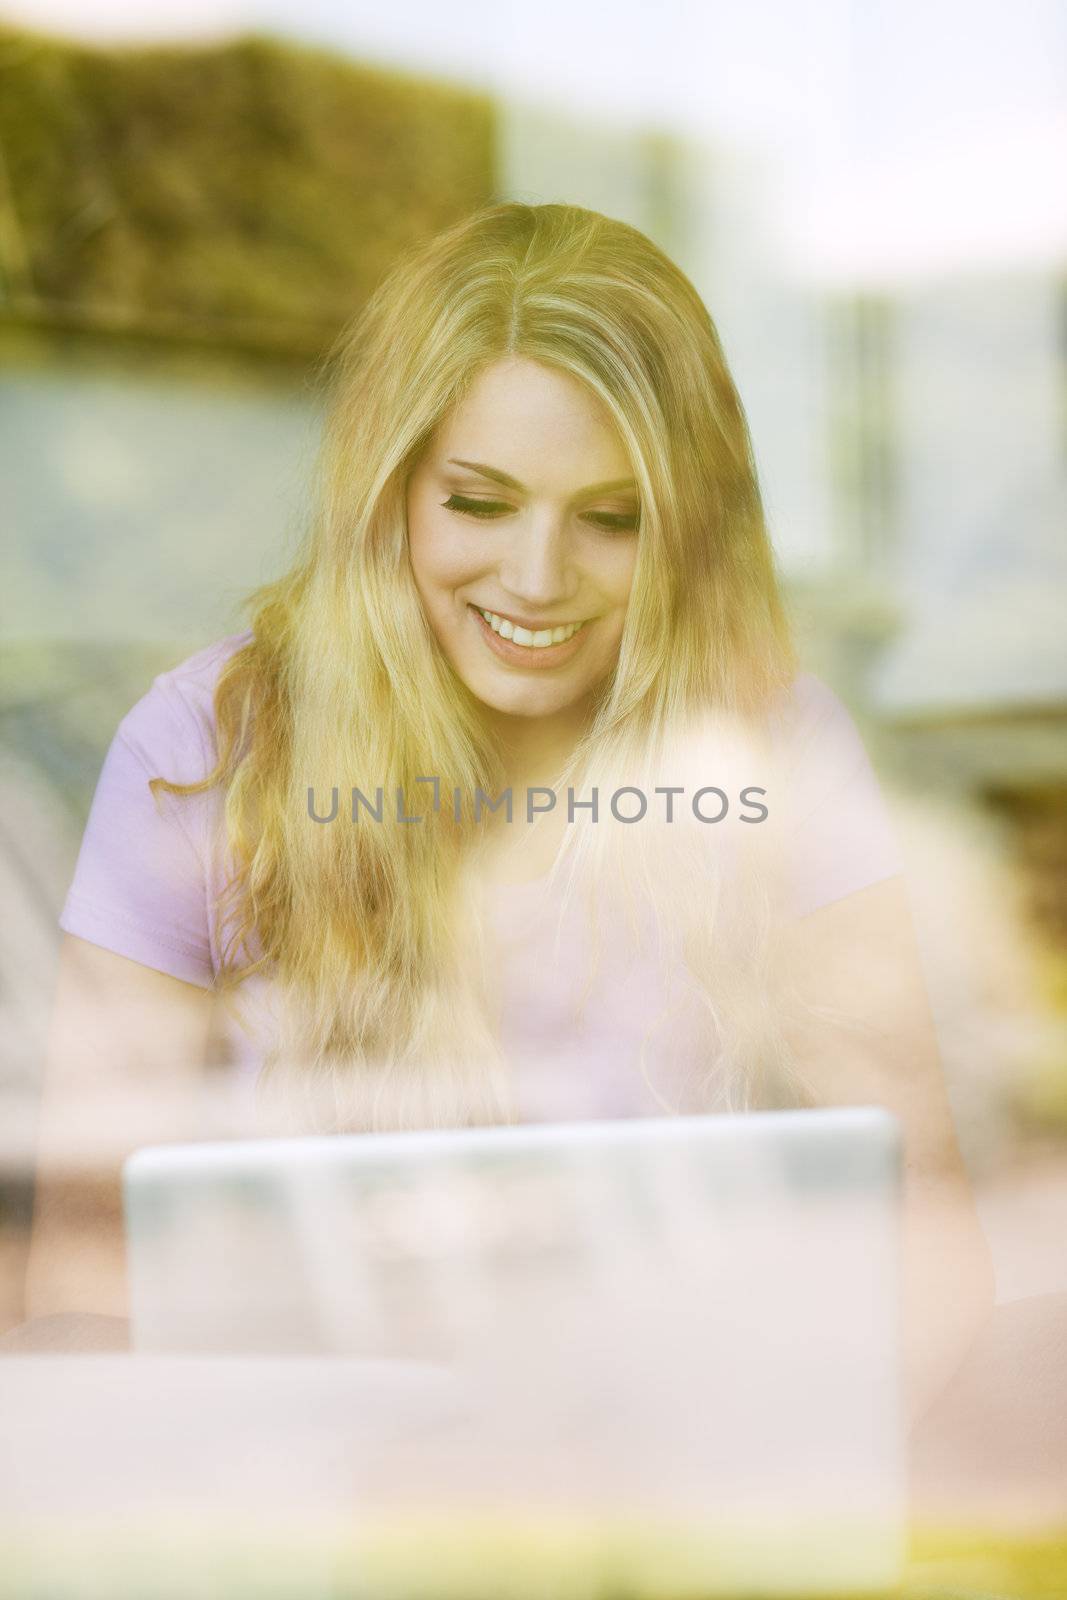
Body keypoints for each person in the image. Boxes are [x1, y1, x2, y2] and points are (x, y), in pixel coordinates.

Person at [16, 202, 992, 1420]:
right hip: (301, 1504)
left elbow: (929, 1239)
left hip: (682, 1479)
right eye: (478, 504)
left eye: (610, 517)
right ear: (389, 498)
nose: (536, 579)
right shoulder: (206, 748)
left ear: (685, 531)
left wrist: (813, 1498)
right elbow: (78, 1273)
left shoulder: (775, 751)